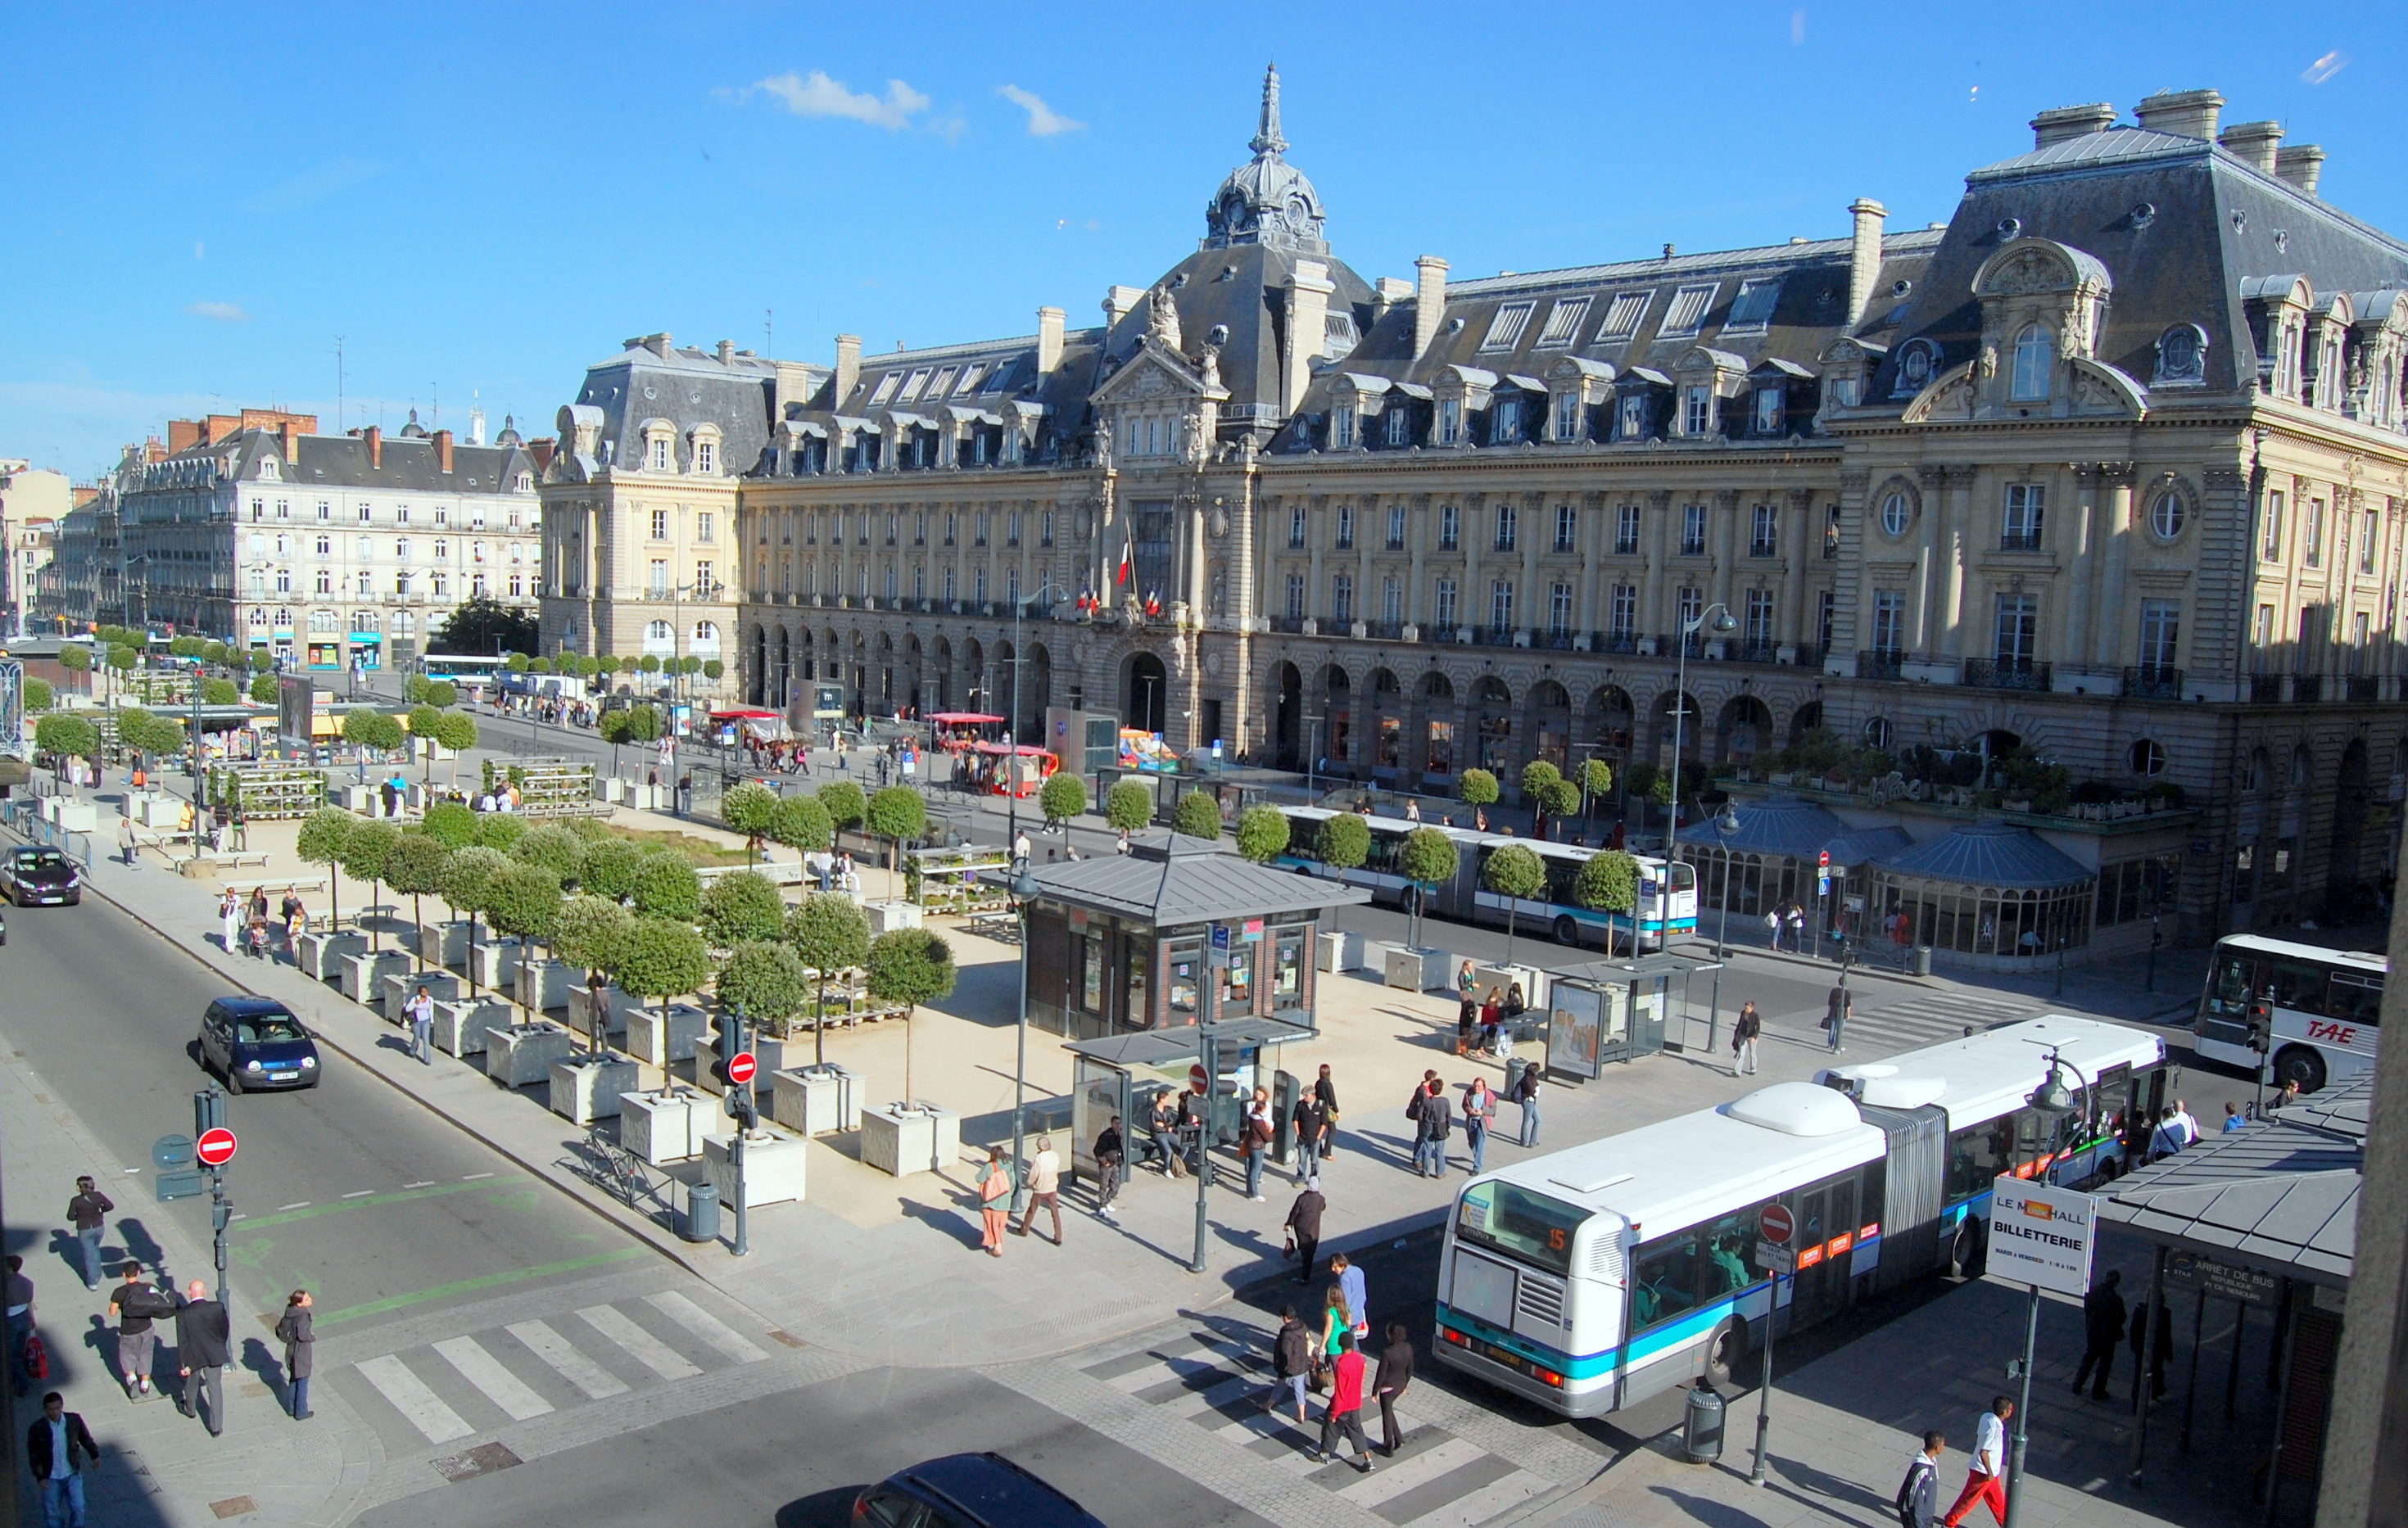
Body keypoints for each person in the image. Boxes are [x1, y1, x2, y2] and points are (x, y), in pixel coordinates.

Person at [28, 1391, 101, 1528]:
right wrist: (40, 1477)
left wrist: (94, 1455)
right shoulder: (37, 1428)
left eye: (57, 1408)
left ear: (62, 1406)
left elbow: (85, 1438)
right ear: (45, 1410)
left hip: (71, 1473)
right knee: (52, 1512)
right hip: (51, 1476)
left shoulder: (73, 1420)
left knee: (78, 1507)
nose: (55, 1412)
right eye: (51, 1409)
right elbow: (34, 1454)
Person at [1939, 1396, 2012, 1528]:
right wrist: (1990, 1473)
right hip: (1984, 1473)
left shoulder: (1986, 1417)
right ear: (2005, 1412)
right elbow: (1984, 1452)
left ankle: (2006, 1524)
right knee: (1968, 1500)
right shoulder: (1995, 1429)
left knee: (1998, 1503)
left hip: (1991, 1472)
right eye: (2010, 1409)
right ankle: (1949, 1523)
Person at [1310, 1331, 1377, 1473]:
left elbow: (1340, 1392)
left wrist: (1335, 1414)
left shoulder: (1342, 1364)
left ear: (1340, 1345)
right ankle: (1368, 1460)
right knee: (1357, 1431)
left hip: (1344, 1405)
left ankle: (1325, 1453)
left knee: (1331, 1427)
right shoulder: (1359, 1359)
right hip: (1355, 1402)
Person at [174, 1280, 231, 1437]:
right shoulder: (217, 1307)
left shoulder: (183, 1314)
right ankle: (216, 1427)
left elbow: (182, 1340)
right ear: (205, 1292)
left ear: (189, 1293)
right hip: (214, 1353)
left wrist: (184, 1363)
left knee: (192, 1384)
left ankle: (190, 1409)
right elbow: (224, 1329)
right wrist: (219, 1345)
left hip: (194, 1356)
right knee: (215, 1388)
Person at [107, 1263, 170, 1399]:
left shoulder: (119, 1292)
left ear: (124, 1274)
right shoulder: (146, 1288)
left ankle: (132, 1377)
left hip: (128, 1329)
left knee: (127, 1354)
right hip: (146, 1327)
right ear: (138, 1273)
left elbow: (112, 1312)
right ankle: (145, 1384)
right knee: (146, 1354)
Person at [2073, 1269, 2124, 1400]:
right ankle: (2098, 1391)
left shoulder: (2092, 1292)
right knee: (2105, 1364)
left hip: (2093, 1331)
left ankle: (2077, 1384)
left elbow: (2087, 1308)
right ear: (2116, 1283)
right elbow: (2122, 1318)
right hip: (2108, 1335)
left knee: (2089, 1357)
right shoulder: (2116, 1299)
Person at [1262, 1307, 1312, 1424]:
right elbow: (1308, 1339)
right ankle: (1301, 1415)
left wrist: (1282, 1368)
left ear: (1285, 1317)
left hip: (1290, 1367)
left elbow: (1286, 1352)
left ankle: (1268, 1405)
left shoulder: (1287, 1333)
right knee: (1300, 1389)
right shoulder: (1302, 1325)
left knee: (1280, 1386)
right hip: (1301, 1363)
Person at [1373, 1322, 1415, 1456]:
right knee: (1389, 1410)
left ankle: (1388, 1446)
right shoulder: (1408, 1348)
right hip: (1400, 1384)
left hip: (1388, 1388)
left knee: (1386, 1415)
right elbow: (1410, 1369)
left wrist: (1375, 1392)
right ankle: (1398, 1439)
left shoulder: (1387, 1353)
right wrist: (1405, 1385)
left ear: (1390, 1335)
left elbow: (1381, 1374)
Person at [1013, 1136, 1064, 1245]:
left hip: (1040, 1189)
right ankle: (1058, 1237)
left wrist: (1028, 1184)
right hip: (1052, 1188)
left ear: (1040, 1147)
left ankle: (1024, 1230)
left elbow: (1033, 1175)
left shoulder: (1039, 1159)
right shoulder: (1055, 1155)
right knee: (1055, 1213)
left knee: (1032, 1210)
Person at [66, 1178, 113, 1291]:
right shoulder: (98, 1196)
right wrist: (101, 1210)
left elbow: (70, 1216)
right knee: (96, 1248)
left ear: (80, 1187)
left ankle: (92, 1282)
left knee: (88, 1255)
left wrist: (79, 1216)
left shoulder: (76, 1201)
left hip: (84, 1229)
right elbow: (110, 1206)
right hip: (99, 1227)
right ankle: (98, 1272)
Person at [274, 1290, 315, 1420]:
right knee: (302, 1381)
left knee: (294, 1379)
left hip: (291, 1349)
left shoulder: (290, 1311)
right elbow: (303, 1335)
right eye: (307, 1299)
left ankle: (291, 1408)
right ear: (299, 1303)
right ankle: (301, 1411)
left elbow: (282, 1330)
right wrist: (312, 1337)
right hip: (301, 1351)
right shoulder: (303, 1316)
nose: (310, 1299)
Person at [2128, 1295, 2174, 1401]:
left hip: (2141, 1348)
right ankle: (2157, 1391)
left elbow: (2133, 1329)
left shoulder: (2140, 1311)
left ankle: (2136, 1399)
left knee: (2139, 1374)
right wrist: (2169, 1353)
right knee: (2157, 1371)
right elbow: (2166, 1335)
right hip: (2157, 1349)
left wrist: (2134, 1345)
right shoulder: (2164, 1314)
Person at [1897, 1430, 1946, 1528]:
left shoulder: (1931, 1461)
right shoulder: (1922, 1471)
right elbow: (1914, 1499)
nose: (1944, 1447)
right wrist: (1918, 1523)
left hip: (1925, 1513)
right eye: (1943, 1445)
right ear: (1937, 1448)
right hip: (1917, 1517)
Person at [1284, 1177, 1325, 1285]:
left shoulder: (1302, 1198)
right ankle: (1305, 1275)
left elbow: (1294, 1212)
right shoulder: (1321, 1199)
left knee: (1303, 1244)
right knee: (1310, 1253)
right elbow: (1323, 1207)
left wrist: (1289, 1223)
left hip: (1301, 1228)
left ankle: (1302, 1257)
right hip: (1314, 1230)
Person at [4, 1255, 33, 1399]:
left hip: (10, 1321)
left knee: (13, 1354)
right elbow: (29, 1303)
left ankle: (23, 1382)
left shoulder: (6, 1286)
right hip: (24, 1317)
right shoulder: (27, 1282)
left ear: (9, 1268)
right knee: (21, 1351)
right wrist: (32, 1318)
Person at [1411, 1078, 1452, 1179]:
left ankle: (1425, 1172)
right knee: (1440, 1151)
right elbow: (1449, 1116)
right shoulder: (1445, 1101)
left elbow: (1419, 1115)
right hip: (1441, 1127)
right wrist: (1447, 1127)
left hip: (1428, 1126)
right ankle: (1440, 1173)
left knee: (1427, 1149)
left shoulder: (1426, 1101)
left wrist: (1423, 1123)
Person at [976, 1146, 1010, 1257]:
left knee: (992, 1223)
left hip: (992, 1201)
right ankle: (998, 1240)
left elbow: (979, 1178)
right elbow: (1013, 1182)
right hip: (1005, 1200)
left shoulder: (990, 1166)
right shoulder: (1008, 1165)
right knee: (1001, 1224)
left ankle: (997, 1247)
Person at [1243, 1087, 1274, 1201]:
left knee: (1251, 1169)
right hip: (1258, 1146)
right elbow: (1267, 1137)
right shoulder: (1259, 1121)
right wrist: (1271, 1134)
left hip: (1251, 1144)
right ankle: (1254, 1194)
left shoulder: (1252, 1118)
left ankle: (1249, 1191)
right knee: (1255, 1170)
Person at [1332, 1252, 1369, 1343]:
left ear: (1341, 1263)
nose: (1333, 1270)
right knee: (1352, 1339)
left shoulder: (1344, 1278)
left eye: (1335, 1267)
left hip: (1349, 1316)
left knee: (1346, 1341)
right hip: (1359, 1312)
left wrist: (1343, 1315)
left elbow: (1345, 1300)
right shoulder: (1359, 1271)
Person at [1461, 1077, 1495, 1175]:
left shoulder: (1489, 1096)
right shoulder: (1469, 1093)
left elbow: (1493, 1111)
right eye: (1475, 1086)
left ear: (1484, 1087)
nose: (1476, 1088)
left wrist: (1482, 1112)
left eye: (1479, 1086)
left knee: (1480, 1144)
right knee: (1471, 1143)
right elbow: (1464, 1105)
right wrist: (1469, 1110)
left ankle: (1477, 1167)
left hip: (1482, 1123)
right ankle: (1477, 1156)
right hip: (1471, 1121)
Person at [1093, 1116, 1124, 1221]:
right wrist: (1105, 1162)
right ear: (1111, 1124)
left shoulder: (1119, 1134)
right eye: (1116, 1123)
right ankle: (1102, 1205)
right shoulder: (1106, 1136)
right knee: (1104, 1185)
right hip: (1107, 1164)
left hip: (1115, 1163)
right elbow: (1097, 1150)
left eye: (1119, 1123)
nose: (1118, 1125)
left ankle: (1107, 1201)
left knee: (1116, 1185)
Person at [1292, 1092, 1327, 1182]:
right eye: (1304, 1095)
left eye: (1306, 1095)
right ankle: (1301, 1177)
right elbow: (1295, 1120)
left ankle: (1313, 1178)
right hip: (1302, 1138)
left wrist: (1319, 1137)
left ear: (1313, 1095)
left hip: (1315, 1139)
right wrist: (1298, 1134)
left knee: (1314, 1160)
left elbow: (1324, 1123)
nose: (1304, 1097)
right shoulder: (1300, 1105)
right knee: (1302, 1160)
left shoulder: (1321, 1105)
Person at [1509, 1060, 1541, 1148]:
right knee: (1526, 1122)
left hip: (1531, 1101)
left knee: (1538, 1120)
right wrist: (1536, 1091)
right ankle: (1525, 1141)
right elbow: (1532, 1091)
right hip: (1528, 1102)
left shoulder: (1529, 1078)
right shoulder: (1527, 1079)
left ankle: (1532, 1141)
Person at [1314, 1065, 1341, 1160]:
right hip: (1326, 1109)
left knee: (1319, 1129)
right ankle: (1327, 1152)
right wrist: (1337, 1111)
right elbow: (1332, 1099)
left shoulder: (1318, 1083)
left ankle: (1318, 1149)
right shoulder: (1328, 1084)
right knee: (1332, 1130)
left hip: (1318, 1108)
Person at [405, 984, 437, 1065]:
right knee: (416, 1038)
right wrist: (415, 1004)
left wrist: (432, 1021)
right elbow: (407, 1009)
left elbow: (431, 1010)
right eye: (423, 992)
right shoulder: (415, 999)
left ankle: (427, 1060)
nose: (425, 993)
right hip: (416, 1022)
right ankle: (412, 1051)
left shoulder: (430, 999)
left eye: (426, 991)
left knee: (426, 1041)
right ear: (420, 992)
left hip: (426, 1021)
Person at [1732, 1001, 1763, 1076]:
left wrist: (1754, 1037)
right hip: (1743, 1035)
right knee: (1741, 1054)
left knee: (1752, 1053)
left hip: (1751, 1036)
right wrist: (1737, 1034)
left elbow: (1758, 1028)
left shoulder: (1755, 1015)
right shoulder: (1743, 1013)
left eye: (1748, 1009)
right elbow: (1740, 1024)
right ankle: (1737, 1071)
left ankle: (1753, 1068)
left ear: (1752, 1008)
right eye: (1745, 1008)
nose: (1746, 1010)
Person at [1823, 980, 1852, 1054]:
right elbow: (1848, 1005)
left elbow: (1830, 1003)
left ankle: (1830, 1044)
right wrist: (1848, 1014)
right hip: (1842, 1015)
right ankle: (1837, 1045)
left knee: (1832, 1029)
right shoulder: (1847, 993)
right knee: (1839, 1030)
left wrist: (1829, 1012)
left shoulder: (1834, 991)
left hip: (1833, 1012)